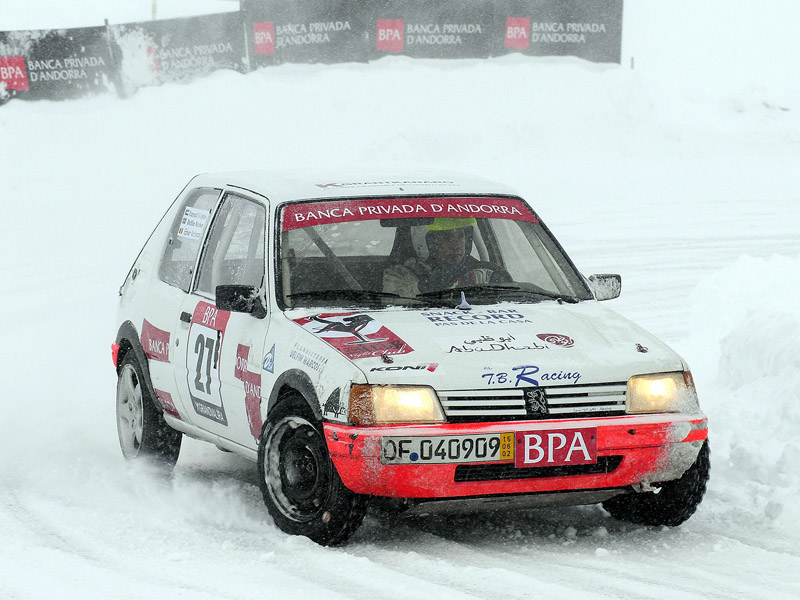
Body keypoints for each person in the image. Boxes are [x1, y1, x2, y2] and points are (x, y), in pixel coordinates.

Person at [382, 218, 511, 297]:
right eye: (446, 238)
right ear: (426, 242)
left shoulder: (481, 274)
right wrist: (425, 287)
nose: (456, 245)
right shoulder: (399, 275)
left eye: (460, 236)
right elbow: (391, 305)